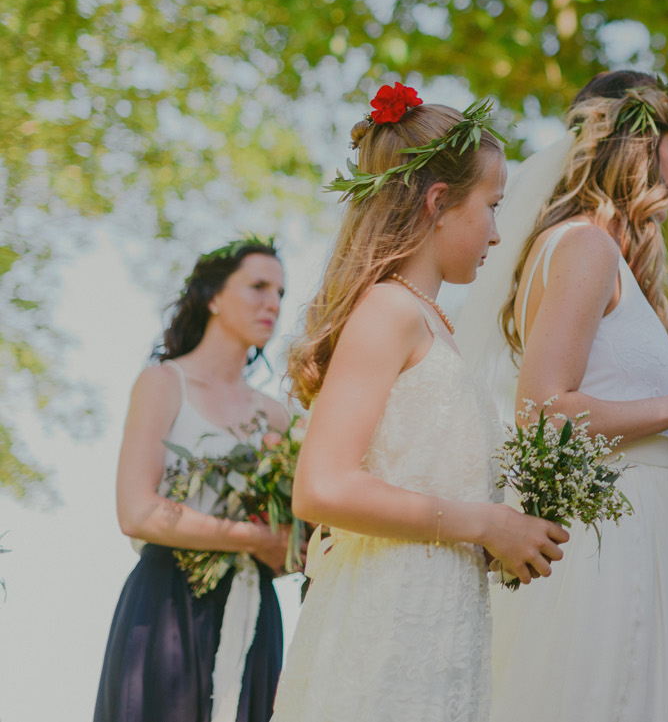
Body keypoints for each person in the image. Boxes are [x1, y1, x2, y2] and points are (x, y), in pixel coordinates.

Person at [271, 86, 568, 722]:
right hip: (381, 632)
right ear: (438, 203)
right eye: (491, 207)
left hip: (445, 637)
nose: (497, 231)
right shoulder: (388, 311)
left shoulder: (437, 329)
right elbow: (320, 487)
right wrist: (484, 524)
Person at [485, 72, 668, 722]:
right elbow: (542, 411)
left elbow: (596, 399)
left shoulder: (605, 254)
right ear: (638, 145)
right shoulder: (584, 245)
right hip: (604, 537)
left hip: (639, 524)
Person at [95, 237, 292, 722]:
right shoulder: (164, 383)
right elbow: (136, 511)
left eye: (281, 294)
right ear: (213, 297)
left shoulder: (279, 418)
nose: (273, 303)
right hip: (166, 604)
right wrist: (253, 538)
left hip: (253, 609)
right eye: (258, 287)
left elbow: (290, 544)